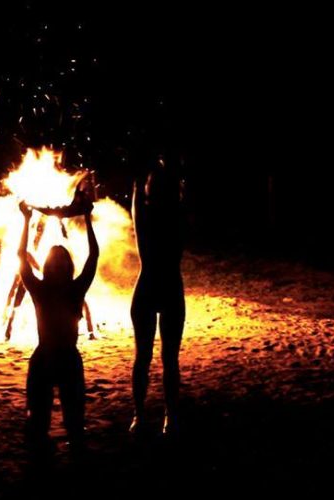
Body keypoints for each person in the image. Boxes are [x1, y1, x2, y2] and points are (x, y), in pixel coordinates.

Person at [17, 196, 98, 452]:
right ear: (48, 266)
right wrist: (26, 220)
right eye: (55, 259)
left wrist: (88, 218)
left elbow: (93, 257)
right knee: (38, 423)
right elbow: (21, 256)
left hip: (66, 359)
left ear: (68, 266)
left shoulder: (75, 290)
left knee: (74, 422)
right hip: (45, 358)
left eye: (61, 259)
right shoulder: (40, 290)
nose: (58, 263)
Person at [129, 155, 186, 437]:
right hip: (167, 286)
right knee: (167, 359)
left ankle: (142, 416)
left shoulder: (147, 215)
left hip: (151, 285)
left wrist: (146, 161)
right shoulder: (178, 215)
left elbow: (137, 189)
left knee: (145, 357)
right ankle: (168, 416)